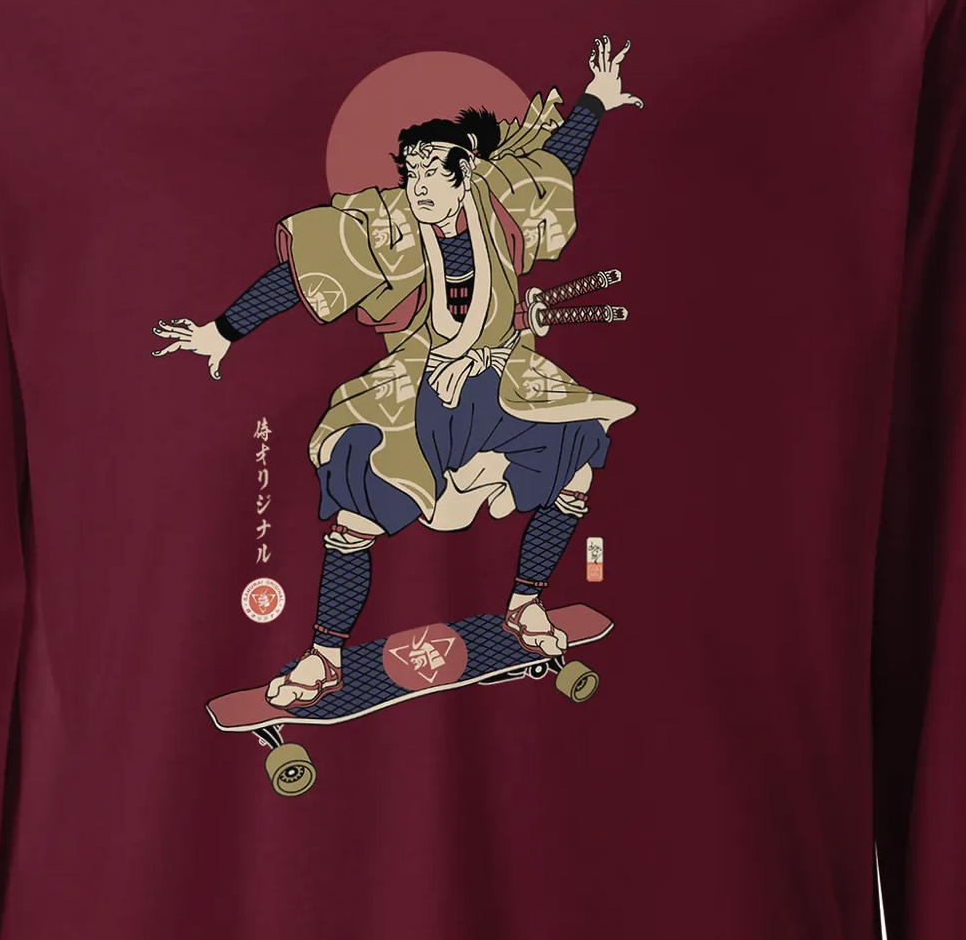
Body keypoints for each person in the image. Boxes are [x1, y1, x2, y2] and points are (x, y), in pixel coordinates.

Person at [155, 35, 642, 709]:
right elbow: (304, 274)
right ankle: (325, 655)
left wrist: (595, 101)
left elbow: (557, 162)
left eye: (431, 174)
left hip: (505, 370)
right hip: (417, 380)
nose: (418, 187)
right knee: (359, 485)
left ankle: (526, 603)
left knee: (579, 451)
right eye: (410, 173)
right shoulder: (388, 223)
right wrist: (223, 330)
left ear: (465, 174)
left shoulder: (503, 199)